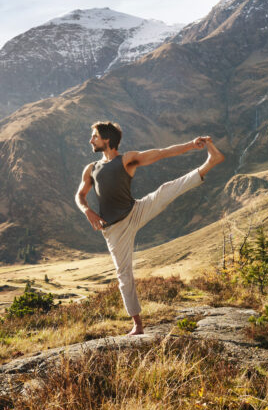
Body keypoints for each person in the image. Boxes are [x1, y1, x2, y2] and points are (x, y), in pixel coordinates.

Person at [75, 121, 225, 335]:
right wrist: (87, 210)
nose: (91, 140)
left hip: (135, 211)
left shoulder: (127, 160)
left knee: (165, 190)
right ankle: (137, 323)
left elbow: (162, 153)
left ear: (106, 140)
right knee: (123, 274)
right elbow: (80, 195)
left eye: (94, 137)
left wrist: (192, 145)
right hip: (115, 229)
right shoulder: (91, 169)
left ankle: (210, 163)